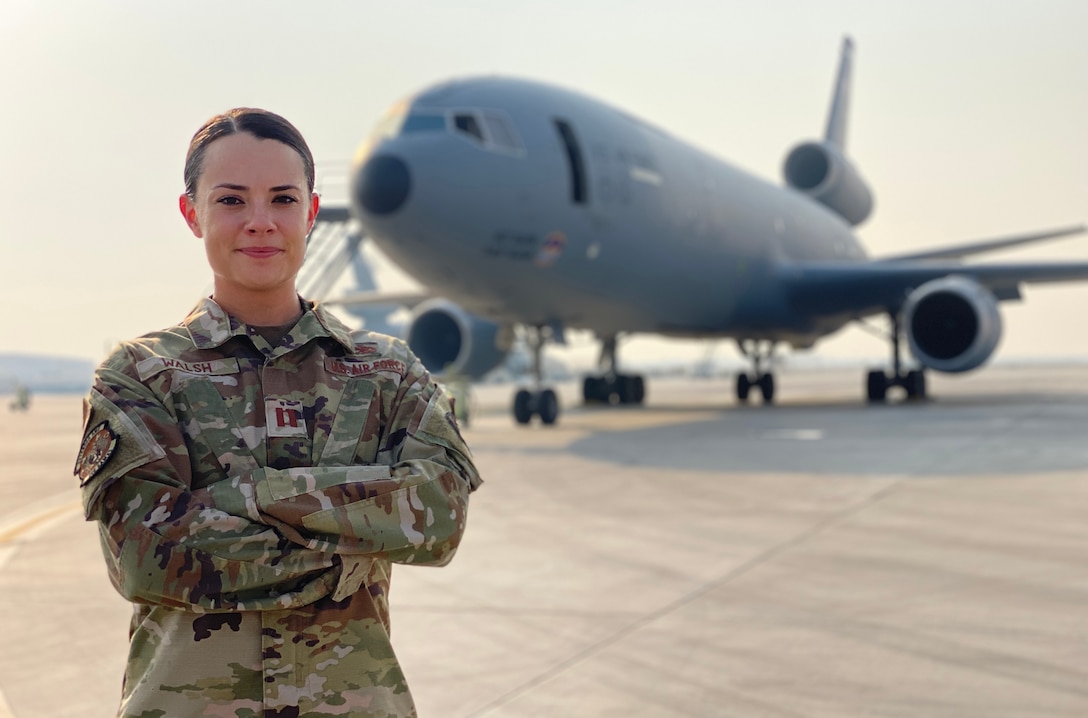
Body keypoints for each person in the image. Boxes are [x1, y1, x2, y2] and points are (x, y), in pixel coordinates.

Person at [75, 107, 482, 717]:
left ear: (311, 212)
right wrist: (350, 556)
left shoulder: (388, 373)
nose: (260, 222)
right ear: (193, 214)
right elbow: (147, 557)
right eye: (233, 200)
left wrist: (246, 499)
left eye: (283, 199)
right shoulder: (140, 374)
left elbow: (441, 517)